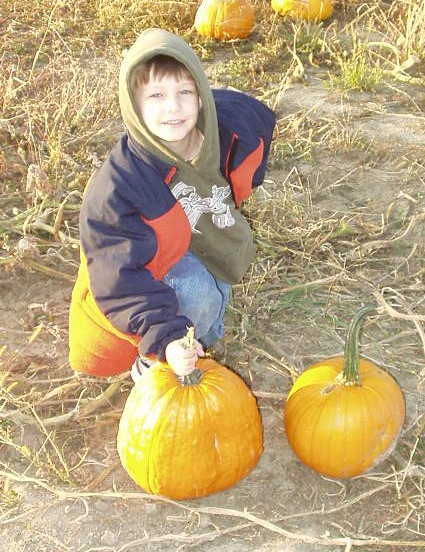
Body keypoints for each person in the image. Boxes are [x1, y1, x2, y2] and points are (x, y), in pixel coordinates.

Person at [68, 28, 276, 381]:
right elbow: (120, 278)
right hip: (149, 268)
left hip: (197, 239)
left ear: (201, 97)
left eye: (185, 92)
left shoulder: (232, 133)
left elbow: (259, 132)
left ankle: (201, 341)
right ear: (134, 106)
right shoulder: (118, 189)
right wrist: (165, 339)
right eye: (156, 95)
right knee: (197, 290)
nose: (173, 107)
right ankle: (153, 365)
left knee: (219, 277)